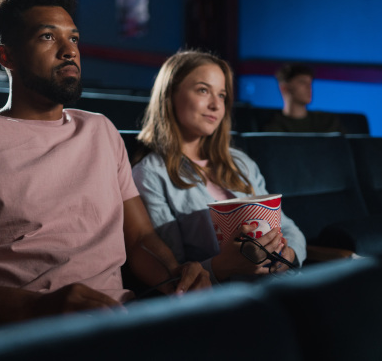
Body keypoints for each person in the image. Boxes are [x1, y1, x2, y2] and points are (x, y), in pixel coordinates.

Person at [0, 0, 210, 325]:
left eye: (73, 38)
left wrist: (177, 275)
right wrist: (33, 307)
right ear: (6, 57)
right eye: (47, 37)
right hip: (21, 329)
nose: (69, 51)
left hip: (117, 323)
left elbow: (141, 238)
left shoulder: (101, 130)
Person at [132, 50, 307, 284]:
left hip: (277, 283)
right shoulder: (150, 173)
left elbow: (288, 228)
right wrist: (222, 267)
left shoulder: (240, 162)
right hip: (221, 296)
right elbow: (172, 271)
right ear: (169, 95)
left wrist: (290, 255)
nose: (216, 105)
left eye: (222, 95)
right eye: (203, 90)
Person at [263, 63, 345, 133]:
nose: (309, 88)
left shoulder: (326, 122)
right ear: (284, 88)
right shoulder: (274, 128)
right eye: (302, 82)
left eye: (310, 83)